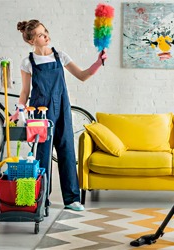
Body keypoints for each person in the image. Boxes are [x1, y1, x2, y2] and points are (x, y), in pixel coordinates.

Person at [12, 19, 107, 211]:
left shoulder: (60, 56)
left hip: (61, 108)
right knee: (42, 155)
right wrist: (19, 110)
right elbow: (24, 91)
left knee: (66, 150)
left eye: (45, 31)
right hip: (39, 112)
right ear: (32, 41)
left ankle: (71, 199)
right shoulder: (27, 62)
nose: (46, 35)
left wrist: (98, 63)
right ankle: (41, 199)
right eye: (40, 34)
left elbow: (82, 75)